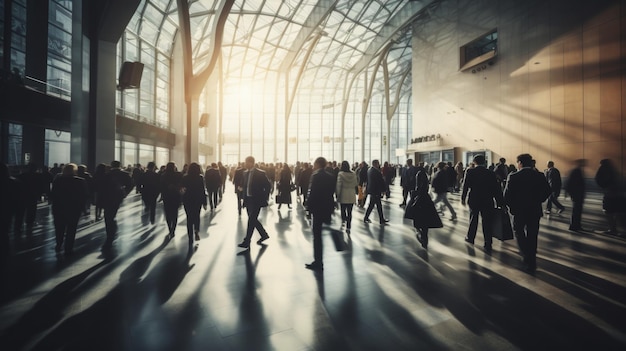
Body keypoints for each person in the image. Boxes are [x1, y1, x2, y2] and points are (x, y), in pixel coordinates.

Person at [504, 154, 551, 272]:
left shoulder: (513, 176)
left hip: (518, 211)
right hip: (534, 210)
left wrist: (511, 207)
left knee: (519, 232)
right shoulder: (539, 175)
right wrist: (539, 200)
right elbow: (548, 190)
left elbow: (507, 196)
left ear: (520, 163)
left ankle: (526, 254)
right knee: (532, 234)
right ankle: (532, 257)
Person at [461, 154, 503, 253]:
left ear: (474, 162)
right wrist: (500, 202)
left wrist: (463, 198)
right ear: (484, 162)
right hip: (487, 200)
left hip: (474, 199)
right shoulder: (490, 173)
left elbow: (465, 186)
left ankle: (470, 238)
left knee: (473, 219)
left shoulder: (470, 172)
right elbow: (496, 189)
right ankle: (488, 242)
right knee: (487, 222)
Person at [305, 157, 336, 270]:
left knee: (317, 235)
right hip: (326, 207)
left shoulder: (316, 176)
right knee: (321, 233)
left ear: (318, 164)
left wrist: (308, 207)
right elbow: (331, 193)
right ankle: (319, 260)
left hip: (317, 208)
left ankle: (318, 261)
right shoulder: (331, 176)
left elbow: (312, 193)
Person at [50, 163, 87, 255]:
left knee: (59, 228)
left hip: (59, 207)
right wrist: (84, 208)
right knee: (72, 228)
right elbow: (83, 196)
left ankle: (59, 244)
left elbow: (53, 194)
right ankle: (68, 247)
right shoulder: (80, 181)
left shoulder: (58, 180)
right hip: (74, 208)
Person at [404, 164, 442, 249]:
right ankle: (424, 237)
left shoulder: (419, 175)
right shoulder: (424, 175)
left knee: (417, 219)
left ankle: (420, 235)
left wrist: (414, 194)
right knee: (425, 221)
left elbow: (419, 188)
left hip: (419, 199)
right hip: (425, 200)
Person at [238, 156, 271, 249]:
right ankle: (263, 234)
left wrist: (264, 197)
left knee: (251, 220)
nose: (245, 164)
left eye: (246, 162)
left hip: (256, 200)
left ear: (251, 163)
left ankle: (247, 241)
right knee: (253, 220)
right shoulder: (245, 173)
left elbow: (268, 186)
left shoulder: (260, 173)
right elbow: (244, 186)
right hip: (248, 199)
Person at [101, 160, 134, 250]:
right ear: (120, 165)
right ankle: (113, 229)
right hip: (118, 197)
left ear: (111, 165)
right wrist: (125, 193)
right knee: (112, 214)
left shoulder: (107, 175)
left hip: (107, 197)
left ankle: (111, 233)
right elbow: (131, 184)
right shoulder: (124, 174)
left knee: (108, 216)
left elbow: (102, 187)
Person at [594, 159, 624, 235]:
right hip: (619, 195)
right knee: (618, 211)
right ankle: (619, 229)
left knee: (608, 211)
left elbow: (598, 179)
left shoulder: (603, 169)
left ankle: (612, 229)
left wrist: (604, 187)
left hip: (609, 194)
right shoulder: (615, 170)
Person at [181, 162, 207, 245]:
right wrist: (204, 202)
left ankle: (190, 235)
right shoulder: (200, 178)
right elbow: (203, 190)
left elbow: (183, 189)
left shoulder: (185, 177)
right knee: (196, 216)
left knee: (189, 217)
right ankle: (196, 231)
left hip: (188, 200)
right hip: (197, 200)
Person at [160, 162, 183, 237]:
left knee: (168, 214)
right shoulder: (178, 175)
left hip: (167, 197)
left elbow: (161, 187)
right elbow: (181, 185)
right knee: (175, 214)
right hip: (176, 196)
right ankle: (173, 229)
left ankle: (170, 228)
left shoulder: (163, 175)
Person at [364, 160, 389, 225]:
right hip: (376, 191)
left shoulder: (369, 170)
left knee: (374, 205)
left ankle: (368, 218)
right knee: (376, 205)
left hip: (372, 190)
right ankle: (381, 219)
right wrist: (383, 190)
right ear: (376, 164)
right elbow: (380, 181)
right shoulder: (376, 171)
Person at [564, 159, 586, 231]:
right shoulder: (577, 171)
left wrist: (568, 192)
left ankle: (575, 225)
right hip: (577, 194)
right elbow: (573, 183)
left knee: (576, 210)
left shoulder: (575, 170)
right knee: (577, 210)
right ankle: (575, 225)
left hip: (575, 194)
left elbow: (568, 182)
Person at [336, 160, 358, 232]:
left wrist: (337, 195)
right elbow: (355, 184)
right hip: (351, 194)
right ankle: (348, 226)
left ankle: (343, 220)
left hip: (343, 194)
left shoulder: (341, 174)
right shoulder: (353, 174)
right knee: (350, 212)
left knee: (343, 210)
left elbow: (339, 186)